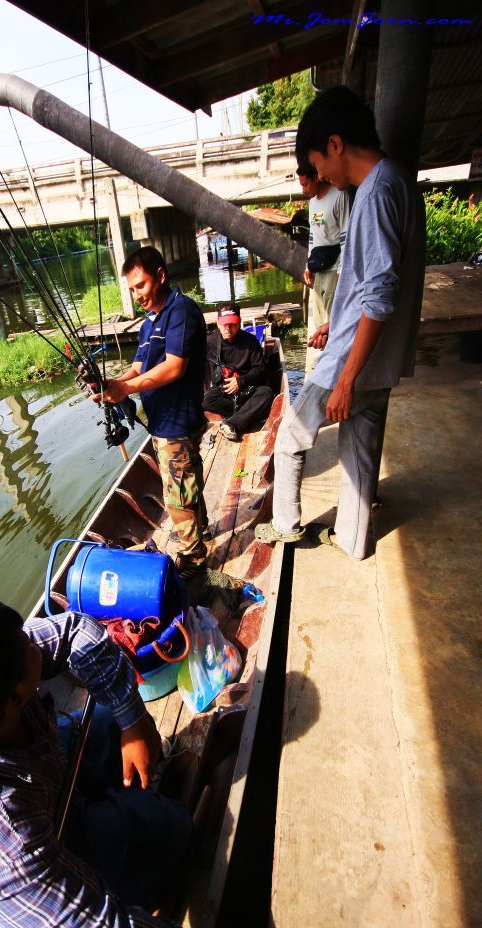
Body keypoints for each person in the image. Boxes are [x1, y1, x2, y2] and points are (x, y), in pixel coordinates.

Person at [0, 594, 290, 928]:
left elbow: (74, 632)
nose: (36, 644)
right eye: (27, 650)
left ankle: (109, 798)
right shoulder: (0, 854)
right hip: (3, 911)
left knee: (109, 723)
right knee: (168, 829)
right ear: (13, 699)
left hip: (32, 780)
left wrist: (134, 719)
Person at [255, 86, 425, 560]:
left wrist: (346, 374)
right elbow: (376, 283)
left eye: (317, 161)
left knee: (291, 438)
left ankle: (286, 525)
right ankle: (354, 540)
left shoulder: (374, 192)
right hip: (381, 359)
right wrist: (338, 324)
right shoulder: (399, 182)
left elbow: (380, 293)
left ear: (335, 144)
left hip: (351, 364)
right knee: (360, 453)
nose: (320, 174)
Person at [93, 246, 209, 581]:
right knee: (187, 482)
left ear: (160, 275)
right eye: (132, 289)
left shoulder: (181, 310)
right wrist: (112, 384)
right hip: (161, 422)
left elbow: (174, 368)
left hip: (177, 421)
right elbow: (137, 369)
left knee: (177, 494)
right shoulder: (149, 324)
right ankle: (200, 532)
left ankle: (193, 563)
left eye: (141, 285)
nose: (137, 295)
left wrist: (127, 389)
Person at [203, 303, 274, 442]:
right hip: (225, 392)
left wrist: (240, 382)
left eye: (233, 324)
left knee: (267, 393)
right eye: (224, 325)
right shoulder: (210, 342)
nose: (228, 328)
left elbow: (260, 369)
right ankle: (246, 415)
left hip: (247, 390)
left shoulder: (251, 341)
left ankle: (231, 424)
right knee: (205, 400)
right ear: (218, 324)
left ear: (239, 322)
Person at [297, 160, 349, 339]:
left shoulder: (339, 195)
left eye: (305, 184)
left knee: (333, 317)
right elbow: (313, 236)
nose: (303, 189)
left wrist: (343, 269)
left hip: (334, 267)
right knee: (319, 318)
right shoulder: (312, 203)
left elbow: (346, 233)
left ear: (317, 178)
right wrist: (307, 266)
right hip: (318, 267)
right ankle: (323, 356)